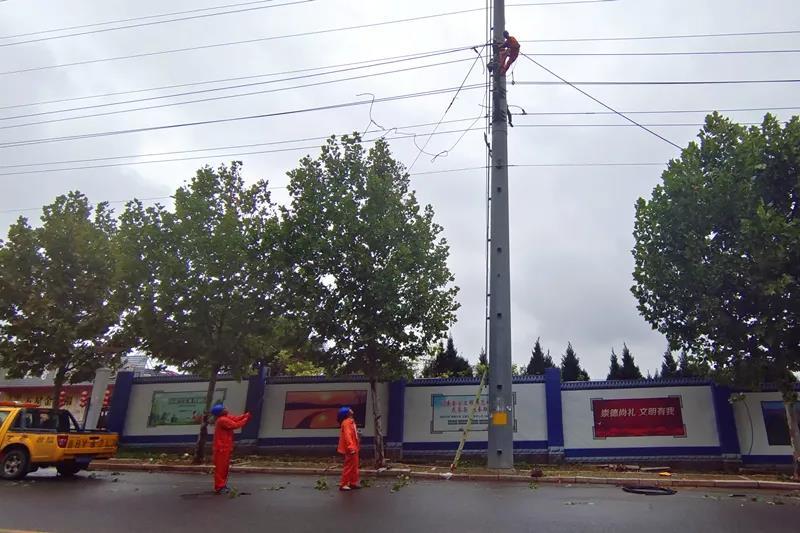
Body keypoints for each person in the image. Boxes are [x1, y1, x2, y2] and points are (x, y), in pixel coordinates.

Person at [210, 403, 251, 494]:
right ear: (220, 412)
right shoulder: (222, 420)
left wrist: (245, 415)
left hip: (224, 447)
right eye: (223, 408)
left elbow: (235, 418)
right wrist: (246, 418)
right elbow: (235, 425)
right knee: (221, 469)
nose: (226, 408)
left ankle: (222, 485)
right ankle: (219, 487)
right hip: (221, 448)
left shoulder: (225, 417)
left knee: (224, 468)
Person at [336, 406, 361, 491]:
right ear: (347, 413)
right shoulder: (347, 423)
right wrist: (351, 447)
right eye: (349, 409)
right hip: (351, 447)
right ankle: (344, 484)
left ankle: (352, 482)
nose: (351, 410)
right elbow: (348, 436)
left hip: (354, 446)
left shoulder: (350, 421)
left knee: (354, 466)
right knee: (349, 466)